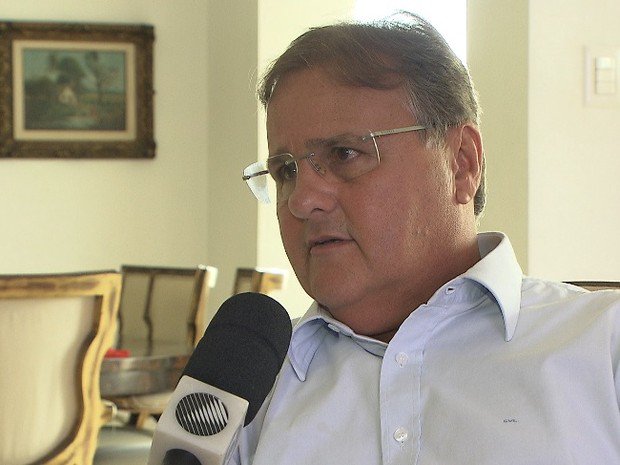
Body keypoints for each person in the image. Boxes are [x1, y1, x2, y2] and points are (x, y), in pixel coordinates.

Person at [239, 12, 620, 464]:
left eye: (344, 154)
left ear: (461, 163)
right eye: (285, 171)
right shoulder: (250, 384)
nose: (302, 200)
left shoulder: (603, 343)